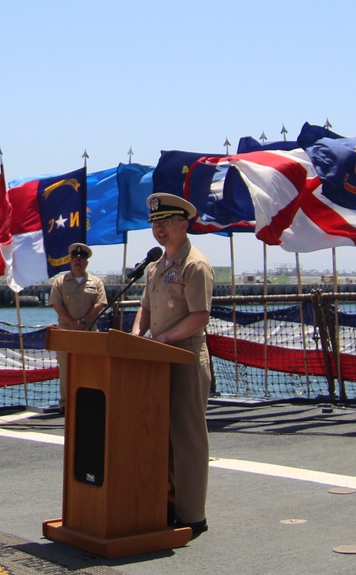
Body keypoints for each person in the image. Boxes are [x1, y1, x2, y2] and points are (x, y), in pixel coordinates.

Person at [132, 192, 214, 538]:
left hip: (185, 358)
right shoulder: (155, 266)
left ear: (184, 224)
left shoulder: (195, 265)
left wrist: (163, 340)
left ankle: (192, 514)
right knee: (159, 436)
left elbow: (199, 316)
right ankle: (165, 503)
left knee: (187, 437)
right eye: (154, 224)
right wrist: (136, 335)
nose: (159, 230)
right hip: (158, 360)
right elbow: (146, 309)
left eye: (165, 223)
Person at [48, 242, 108, 411]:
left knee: (91, 369)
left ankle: (88, 403)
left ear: (86, 262)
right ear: (70, 261)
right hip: (66, 334)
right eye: (75, 258)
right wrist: (71, 322)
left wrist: (83, 322)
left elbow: (100, 304)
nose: (78, 261)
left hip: (89, 334)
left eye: (81, 258)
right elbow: (57, 305)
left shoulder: (96, 282)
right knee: (66, 370)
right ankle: (66, 404)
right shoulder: (60, 282)